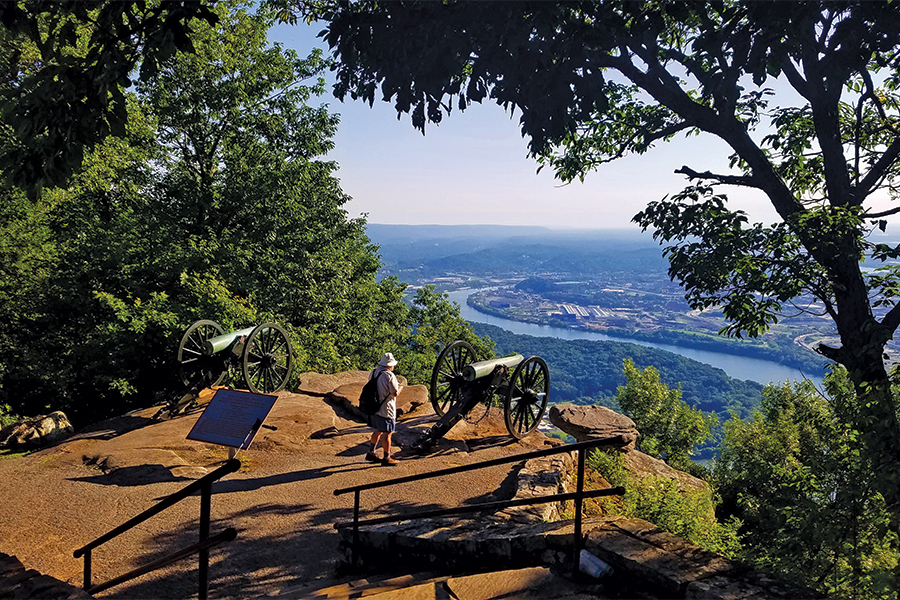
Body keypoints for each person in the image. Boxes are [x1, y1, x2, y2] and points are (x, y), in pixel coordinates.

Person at [365, 352, 402, 466]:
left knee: (378, 430)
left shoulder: (374, 372)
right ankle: (387, 458)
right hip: (386, 409)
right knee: (387, 434)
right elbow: (394, 393)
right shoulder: (389, 375)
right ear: (390, 365)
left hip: (375, 407)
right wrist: (401, 388)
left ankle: (371, 452)